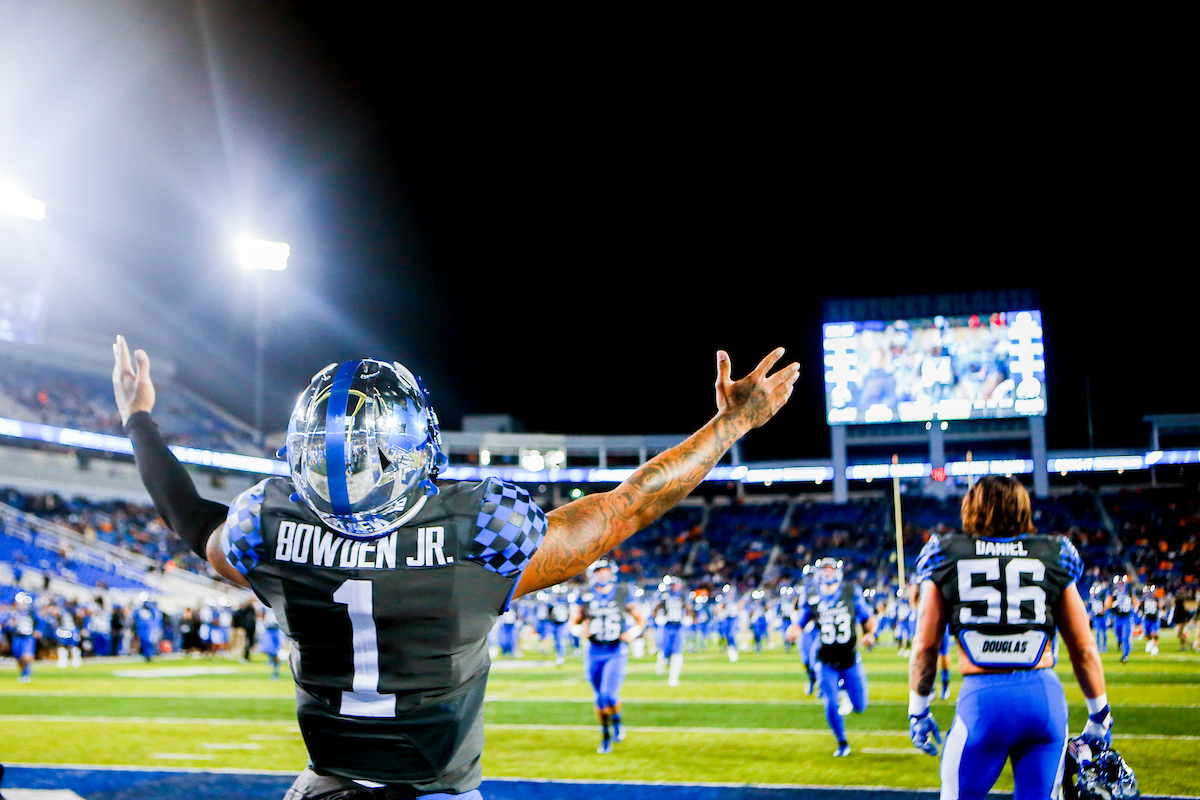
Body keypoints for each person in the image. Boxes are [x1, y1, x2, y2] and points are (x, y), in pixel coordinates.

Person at [111, 336, 798, 798]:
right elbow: (627, 507)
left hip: (324, 784)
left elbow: (189, 519)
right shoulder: (480, 528)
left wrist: (139, 419)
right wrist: (730, 426)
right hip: (439, 788)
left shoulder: (270, 523)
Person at [907, 476, 1113, 799]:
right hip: (1043, 699)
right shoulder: (1053, 552)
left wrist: (918, 708)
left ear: (970, 508)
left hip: (983, 701)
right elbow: (1083, 648)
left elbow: (925, 646)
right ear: (1023, 508)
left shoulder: (946, 553)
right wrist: (1100, 714)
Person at [794, 557, 877, 757]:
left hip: (849, 657)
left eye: (831, 569)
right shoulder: (812, 595)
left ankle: (846, 691)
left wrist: (870, 633)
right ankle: (842, 742)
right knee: (830, 704)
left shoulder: (851, 591)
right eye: (825, 569)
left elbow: (869, 617)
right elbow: (801, 621)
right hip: (825, 659)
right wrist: (794, 630)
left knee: (860, 706)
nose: (828, 573)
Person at [574, 559, 646, 753]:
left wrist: (630, 634)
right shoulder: (585, 594)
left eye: (605, 571)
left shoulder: (623, 591)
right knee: (599, 698)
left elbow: (640, 619)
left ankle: (617, 722)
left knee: (609, 695)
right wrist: (578, 630)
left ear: (611, 573)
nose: (602, 575)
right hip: (594, 650)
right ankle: (605, 735)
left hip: (615, 650)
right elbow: (574, 621)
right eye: (599, 571)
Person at [653, 575, 688, 686]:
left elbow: (689, 608)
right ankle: (663, 662)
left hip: (678, 626)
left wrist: (689, 617)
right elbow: (656, 607)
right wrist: (658, 617)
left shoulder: (683, 595)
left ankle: (673, 677)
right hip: (666, 625)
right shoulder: (663, 595)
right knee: (665, 649)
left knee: (677, 652)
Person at [1109, 575, 1135, 663]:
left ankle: (1125, 655)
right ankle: (1120, 642)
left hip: (1127, 617)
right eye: (1118, 583)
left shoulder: (1130, 591)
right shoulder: (1112, 592)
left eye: (1121, 583)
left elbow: (1135, 601)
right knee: (1117, 633)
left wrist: (1135, 609)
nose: (1120, 585)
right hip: (1117, 617)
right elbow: (1107, 604)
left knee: (1126, 637)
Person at [1141, 586, 1161, 657]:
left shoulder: (1156, 599)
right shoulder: (1143, 599)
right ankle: (1149, 642)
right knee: (1147, 634)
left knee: (1154, 633)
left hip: (1154, 619)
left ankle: (1155, 648)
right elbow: (1141, 608)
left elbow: (1160, 607)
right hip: (1146, 618)